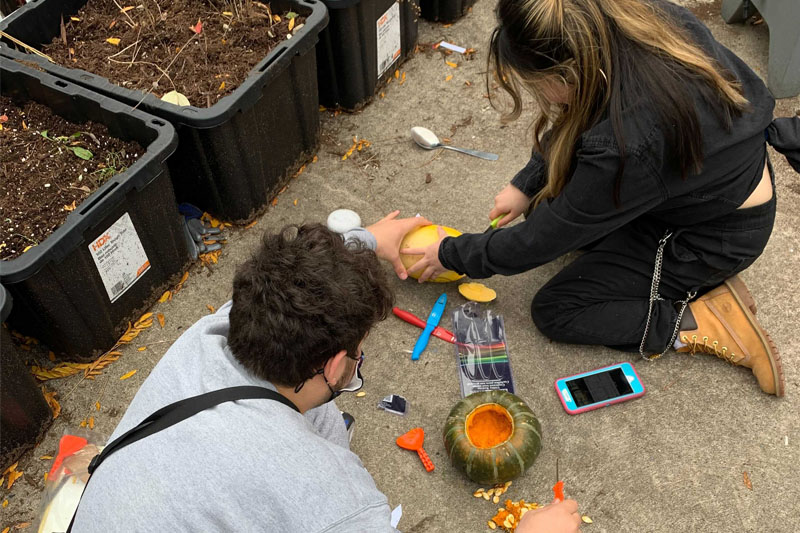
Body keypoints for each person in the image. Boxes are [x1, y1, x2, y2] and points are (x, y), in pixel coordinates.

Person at [70, 220, 581, 533]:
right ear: (337, 364)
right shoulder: (327, 497)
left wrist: (366, 241)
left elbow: (295, 273)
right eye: (357, 357)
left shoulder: (216, 327)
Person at [399, 0, 800, 396]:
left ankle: (698, 320)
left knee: (558, 309)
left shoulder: (627, 143)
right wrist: (528, 182)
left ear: (568, 72)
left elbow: (540, 241)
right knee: (546, 204)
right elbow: (587, 113)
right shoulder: (627, 17)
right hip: (703, 185)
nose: (545, 97)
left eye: (539, 86)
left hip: (708, 235)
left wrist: (452, 254)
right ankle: (688, 284)